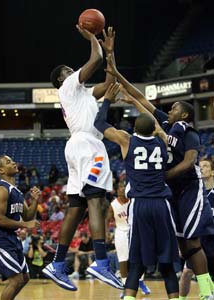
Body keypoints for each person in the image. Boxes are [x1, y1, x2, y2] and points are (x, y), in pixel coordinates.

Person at [106, 53, 214, 300]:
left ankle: (207, 292)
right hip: (169, 193)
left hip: (189, 188)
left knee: (193, 243)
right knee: (183, 247)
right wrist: (117, 74)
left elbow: (188, 163)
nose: (170, 109)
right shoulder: (164, 124)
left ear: (184, 115)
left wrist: (161, 177)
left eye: (174, 108)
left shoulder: (190, 134)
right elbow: (141, 98)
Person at [42, 25, 123, 291]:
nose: (75, 72)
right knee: (96, 203)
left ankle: (56, 264)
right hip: (88, 146)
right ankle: (101, 262)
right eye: (69, 70)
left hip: (78, 147)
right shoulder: (67, 86)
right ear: (63, 79)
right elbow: (94, 60)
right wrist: (92, 38)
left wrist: (110, 53)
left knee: (76, 207)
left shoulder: (84, 94)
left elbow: (111, 81)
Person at [94, 83, 180, 300]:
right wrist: (137, 103)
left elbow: (99, 123)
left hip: (139, 205)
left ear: (134, 129)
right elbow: (157, 125)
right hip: (161, 204)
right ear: (153, 129)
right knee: (167, 263)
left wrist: (107, 100)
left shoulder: (126, 140)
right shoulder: (162, 139)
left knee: (135, 264)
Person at [0, 155, 40, 300]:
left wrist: (35, 201)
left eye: (12, 160)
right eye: (8, 162)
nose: (13, 162)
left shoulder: (17, 192)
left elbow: (27, 216)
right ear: (1, 170)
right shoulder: (2, 189)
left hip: (11, 237)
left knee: (24, 277)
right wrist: (25, 225)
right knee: (16, 280)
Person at [106, 180, 151, 299]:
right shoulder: (113, 204)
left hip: (136, 231)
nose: (122, 189)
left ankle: (140, 281)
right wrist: (106, 234)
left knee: (140, 259)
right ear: (116, 190)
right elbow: (106, 220)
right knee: (123, 261)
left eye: (124, 187)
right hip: (121, 232)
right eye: (120, 187)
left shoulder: (134, 200)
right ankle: (126, 286)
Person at [179, 159, 214, 299]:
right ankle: (181, 298)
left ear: (212, 172)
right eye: (199, 166)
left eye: (205, 166)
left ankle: (207, 293)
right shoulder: (194, 193)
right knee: (187, 272)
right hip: (198, 239)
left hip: (212, 239)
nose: (201, 168)